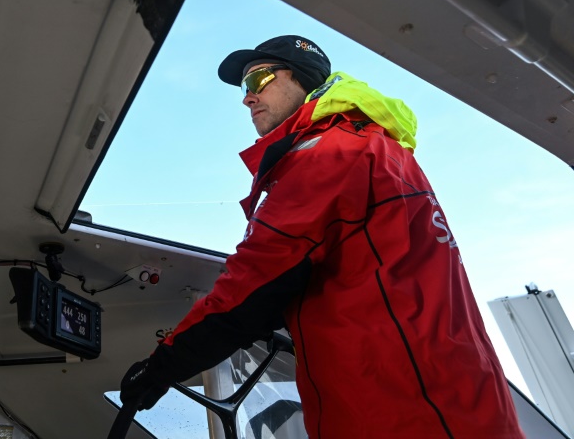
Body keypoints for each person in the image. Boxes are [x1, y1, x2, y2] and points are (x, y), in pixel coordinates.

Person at [120, 35, 525, 437]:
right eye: (244, 88)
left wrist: (160, 368)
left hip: (402, 412)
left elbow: (253, 282)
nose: (247, 97)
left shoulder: (328, 154)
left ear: (302, 78)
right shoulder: (376, 148)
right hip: (458, 405)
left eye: (258, 80)